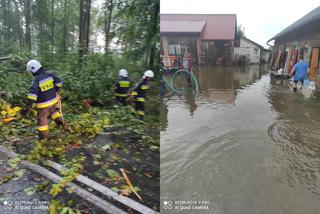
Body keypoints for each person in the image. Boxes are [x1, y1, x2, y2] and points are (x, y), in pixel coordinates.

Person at [22, 59, 66, 139]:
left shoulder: (36, 80)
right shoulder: (50, 74)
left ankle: (43, 137)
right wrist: (55, 90)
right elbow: (59, 82)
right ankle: (61, 123)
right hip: (53, 101)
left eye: (30, 71)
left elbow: (32, 96)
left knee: (42, 120)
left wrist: (27, 107)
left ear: (33, 70)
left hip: (43, 105)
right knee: (54, 112)